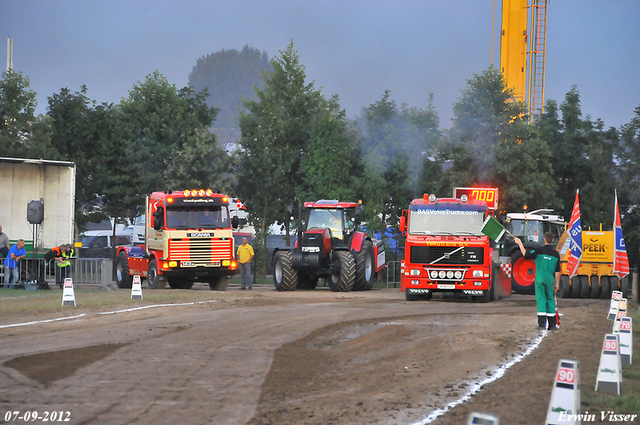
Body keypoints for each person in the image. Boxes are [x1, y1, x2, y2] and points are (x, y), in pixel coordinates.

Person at [514, 232, 560, 330]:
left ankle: (541, 324)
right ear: (552, 240)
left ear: (544, 239)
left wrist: (519, 243)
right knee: (550, 300)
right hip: (550, 280)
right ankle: (552, 325)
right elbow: (557, 271)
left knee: (541, 300)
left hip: (540, 279)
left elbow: (525, 254)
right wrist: (556, 284)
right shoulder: (556, 254)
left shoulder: (538, 250)